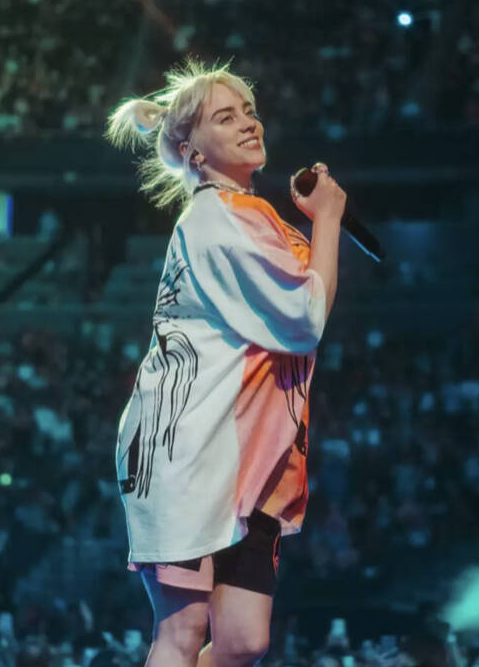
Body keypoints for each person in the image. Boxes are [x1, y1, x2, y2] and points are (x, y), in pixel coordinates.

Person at [104, 57, 346, 667]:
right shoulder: (216, 217)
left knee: (243, 641)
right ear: (192, 151)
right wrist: (330, 222)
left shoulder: (251, 218)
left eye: (250, 111)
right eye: (225, 116)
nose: (248, 123)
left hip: (246, 457)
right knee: (183, 633)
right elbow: (304, 317)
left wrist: (315, 225)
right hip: (184, 447)